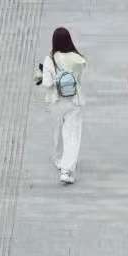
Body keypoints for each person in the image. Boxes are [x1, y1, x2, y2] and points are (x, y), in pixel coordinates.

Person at [35, 27, 87, 185]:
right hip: (74, 101)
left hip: (56, 101)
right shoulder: (78, 58)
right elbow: (79, 78)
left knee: (57, 130)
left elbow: (47, 83)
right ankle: (67, 170)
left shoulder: (50, 58)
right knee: (72, 135)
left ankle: (59, 160)